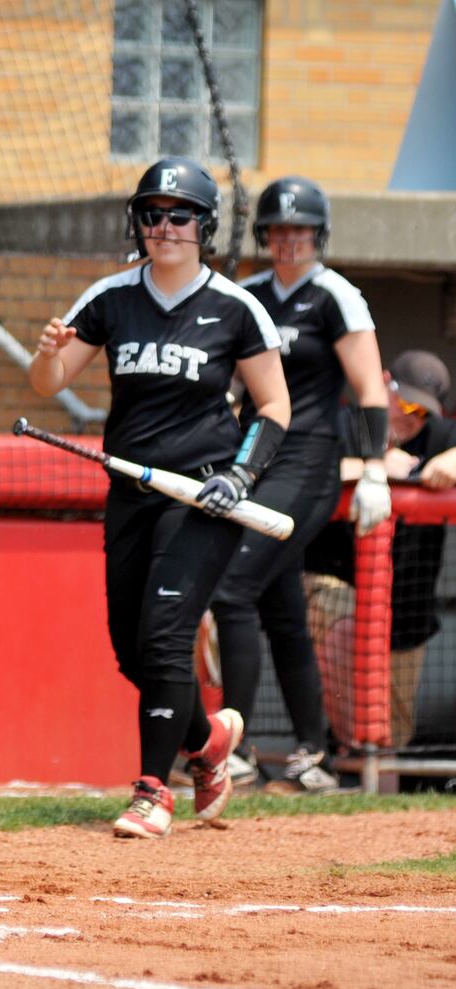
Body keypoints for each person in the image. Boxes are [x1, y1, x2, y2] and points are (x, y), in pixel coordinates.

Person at [29, 156, 290, 839]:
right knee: (130, 651)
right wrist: (47, 352)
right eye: (152, 214)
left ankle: (152, 791)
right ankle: (205, 747)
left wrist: (239, 476)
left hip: (202, 495)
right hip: (132, 492)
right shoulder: (111, 297)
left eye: (180, 216)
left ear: (203, 227)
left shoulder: (235, 309)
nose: (165, 227)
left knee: (166, 638)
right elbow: (48, 382)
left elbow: (273, 406)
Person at [194, 177, 391, 795]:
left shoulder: (336, 296)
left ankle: (241, 749)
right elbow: (224, 377)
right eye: (278, 230)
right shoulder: (247, 294)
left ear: (318, 235)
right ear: (265, 236)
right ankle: (314, 756)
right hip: (255, 456)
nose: (288, 240)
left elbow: (369, 392)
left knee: (231, 589)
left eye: (299, 229)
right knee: (282, 613)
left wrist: (375, 467)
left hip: (309, 461)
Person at [306, 351, 456, 753]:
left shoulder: (438, 436)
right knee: (344, 638)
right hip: (336, 582)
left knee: (393, 732)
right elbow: (304, 471)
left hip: (408, 604)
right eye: (404, 402)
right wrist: (373, 467)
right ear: (384, 383)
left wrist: (451, 461)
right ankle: (338, 756)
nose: (410, 417)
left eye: (421, 411)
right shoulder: (344, 422)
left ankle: (370, 790)